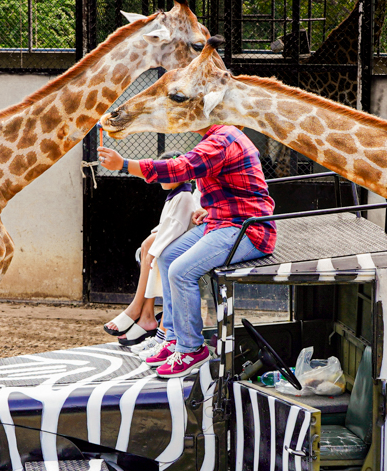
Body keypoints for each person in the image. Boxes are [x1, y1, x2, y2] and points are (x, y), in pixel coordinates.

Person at [97, 124, 275, 377]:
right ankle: (173, 336)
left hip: (246, 229)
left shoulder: (221, 139)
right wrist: (210, 209)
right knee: (169, 256)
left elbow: (180, 168)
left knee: (181, 272)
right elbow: (233, 187)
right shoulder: (220, 137)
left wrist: (125, 164)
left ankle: (192, 349)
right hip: (222, 221)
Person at [102, 173, 202, 349]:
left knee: (161, 254)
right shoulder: (180, 194)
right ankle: (145, 314)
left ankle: (158, 330)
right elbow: (170, 224)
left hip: (196, 239)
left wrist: (154, 248)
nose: (160, 178)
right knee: (149, 247)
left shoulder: (185, 195)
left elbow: (178, 226)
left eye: (166, 173)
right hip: (190, 234)